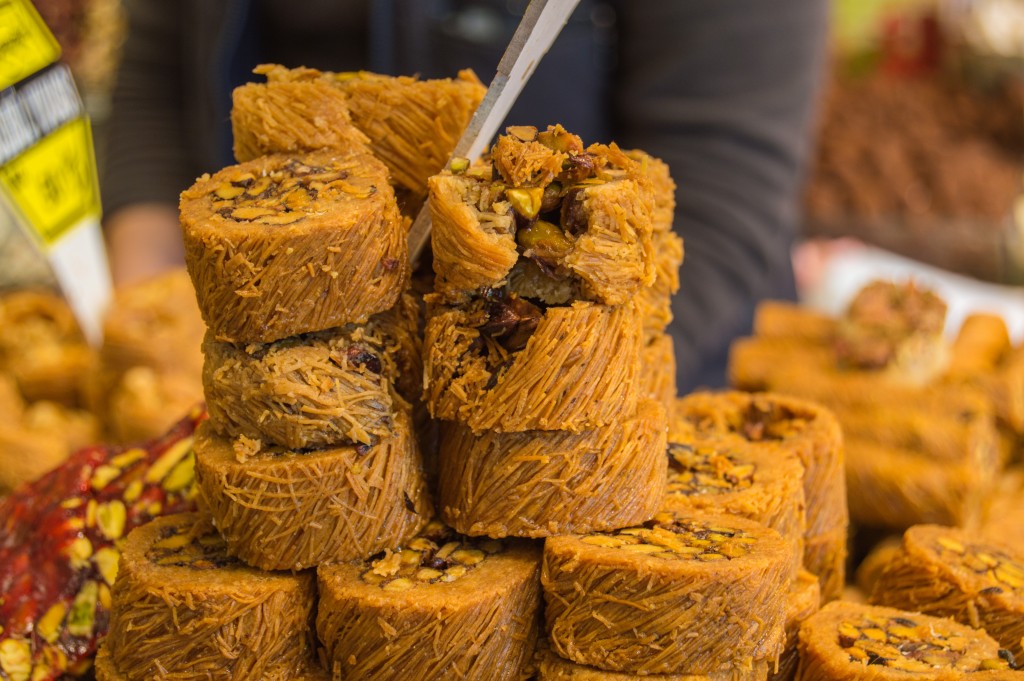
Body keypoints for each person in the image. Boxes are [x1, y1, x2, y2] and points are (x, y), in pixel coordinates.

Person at [100, 0, 829, 392]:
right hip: (266, 363)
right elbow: (160, 71)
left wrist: (533, 397)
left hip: (603, 384)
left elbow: (725, 189)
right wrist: (148, 315)